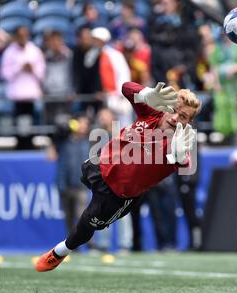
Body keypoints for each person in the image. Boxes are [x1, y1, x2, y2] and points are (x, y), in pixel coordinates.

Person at [35, 81, 200, 271]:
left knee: (86, 226)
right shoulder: (153, 113)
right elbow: (125, 87)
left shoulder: (179, 143)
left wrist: (179, 156)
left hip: (117, 195)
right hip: (100, 166)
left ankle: (59, 252)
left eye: (183, 116)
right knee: (81, 175)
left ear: (188, 123)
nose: (174, 117)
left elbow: (184, 161)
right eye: (174, 110)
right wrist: (145, 93)